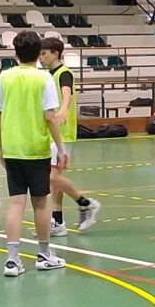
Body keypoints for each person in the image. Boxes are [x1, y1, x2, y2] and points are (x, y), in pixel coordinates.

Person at [0, 31, 68, 277]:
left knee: (16, 204)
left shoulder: (3, 78)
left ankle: (12, 260)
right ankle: (44, 255)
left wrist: (1, 147)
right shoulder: (43, 80)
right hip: (36, 149)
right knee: (41, 204)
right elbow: (49, 117)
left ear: (15, 53)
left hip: (12, 148)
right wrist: (61, 148)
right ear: (37, 53)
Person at [38, 37, 101, 236]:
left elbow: (67, 94)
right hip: (49, 133)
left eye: (44, 53)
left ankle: (86, 204)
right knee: (54, 180)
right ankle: (58, 222)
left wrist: (63, 109)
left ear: (55, 54)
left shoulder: (64, 73)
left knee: (51, 177)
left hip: (63, 133)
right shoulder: (48, 75)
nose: (41, 57)